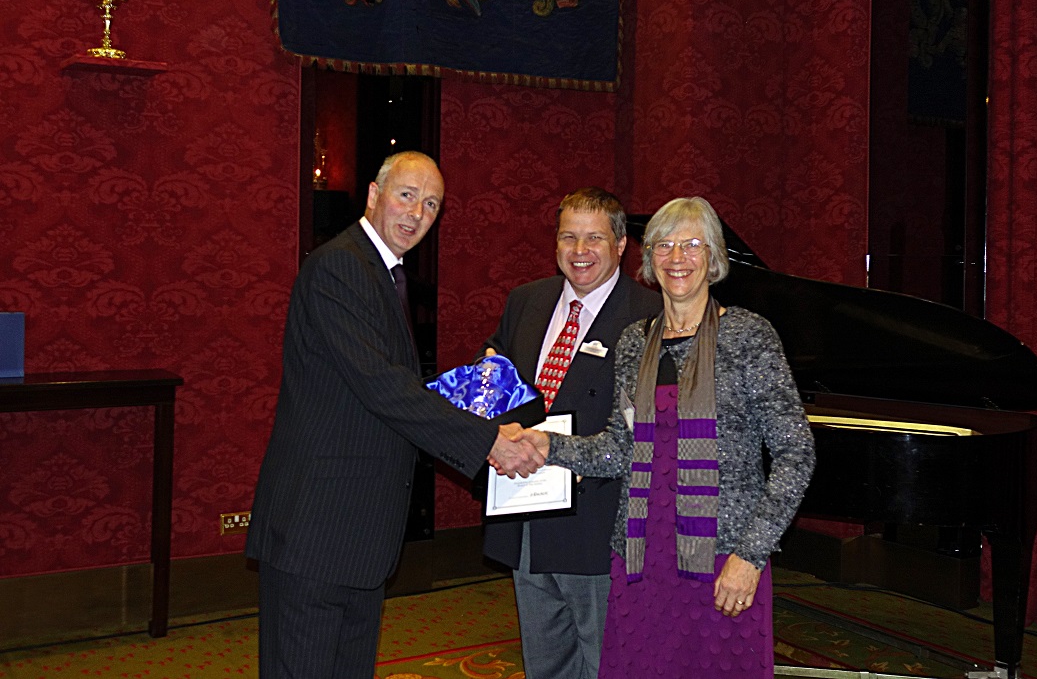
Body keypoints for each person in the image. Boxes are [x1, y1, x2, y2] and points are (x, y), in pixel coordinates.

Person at [245, 151, 545, 679]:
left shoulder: (382, 273)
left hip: (357, 535)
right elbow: (382, 387)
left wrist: (480, 395)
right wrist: (488, 441)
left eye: (431, 205)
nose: (416, 214)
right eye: (407, 195)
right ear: (373, 195)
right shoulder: (341, 266)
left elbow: (388, 385)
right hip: (318, 530)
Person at [517, 196, 816, 678]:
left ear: (714, 257)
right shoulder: (636, 341)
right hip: (641, 555)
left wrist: (751, 554)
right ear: (649, 258)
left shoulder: (747, 336)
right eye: (665, 245)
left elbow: (795, 453)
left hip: (721, 557)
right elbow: (619, 449)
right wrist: (549, 446)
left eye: (693, 244)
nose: (678, 258)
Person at [481, 187, 662, 679]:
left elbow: (649, 430)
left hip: (598, 522)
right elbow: (494, 377)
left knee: (606, 660)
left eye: (594, 239)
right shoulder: (526, 301)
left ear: (622, 244)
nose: (579, 251)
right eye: (568, 237)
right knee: (545, 660)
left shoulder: (650, 315)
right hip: (525, 512)